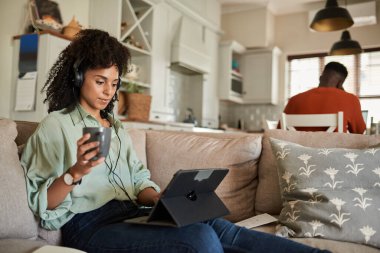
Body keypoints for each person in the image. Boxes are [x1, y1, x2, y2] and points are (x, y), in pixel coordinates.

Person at [21, 29, 330, 253]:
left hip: (133, 214)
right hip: (91, 227)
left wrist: (158, 199)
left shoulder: (115, 127)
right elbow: (42, 204)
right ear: (78, 78)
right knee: (199, 239)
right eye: (99, 81)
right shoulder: (55, 126)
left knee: (216, 226)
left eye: (113, 84)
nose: (108, 92)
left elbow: (138, 180)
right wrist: (75, 172)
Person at [279, 61, 366, 134]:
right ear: (340, 84)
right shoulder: (351, 100)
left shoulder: (294, 100)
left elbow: (279, 132)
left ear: (320, 78)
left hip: (297, 154)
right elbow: (360, 133)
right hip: (334, 154)